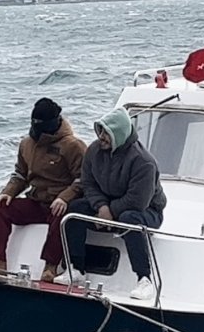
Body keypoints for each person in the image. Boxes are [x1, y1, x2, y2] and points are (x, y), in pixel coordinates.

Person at [55, 107, 167, 300]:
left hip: (148, 210)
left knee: (128, 218)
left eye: (106, 132)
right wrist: (101, 207)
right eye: (100, 131)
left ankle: (145, 279)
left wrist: (110, 212)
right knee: (75, 210)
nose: (102, 137)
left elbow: (138, 201)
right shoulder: (94, 151)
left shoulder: (143, 162)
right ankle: (76, 269)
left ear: (119, 134)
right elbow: (87, 183)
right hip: (105, 205)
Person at [0, 98, 87, 282]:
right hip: (36, 200)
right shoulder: (26, 144)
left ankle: (51, 266)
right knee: (0, 207)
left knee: (61, 215)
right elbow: (20, 175)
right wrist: (8, 192)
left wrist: (65, 197)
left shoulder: (74, 146)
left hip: (59, 201)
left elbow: (83, 179)